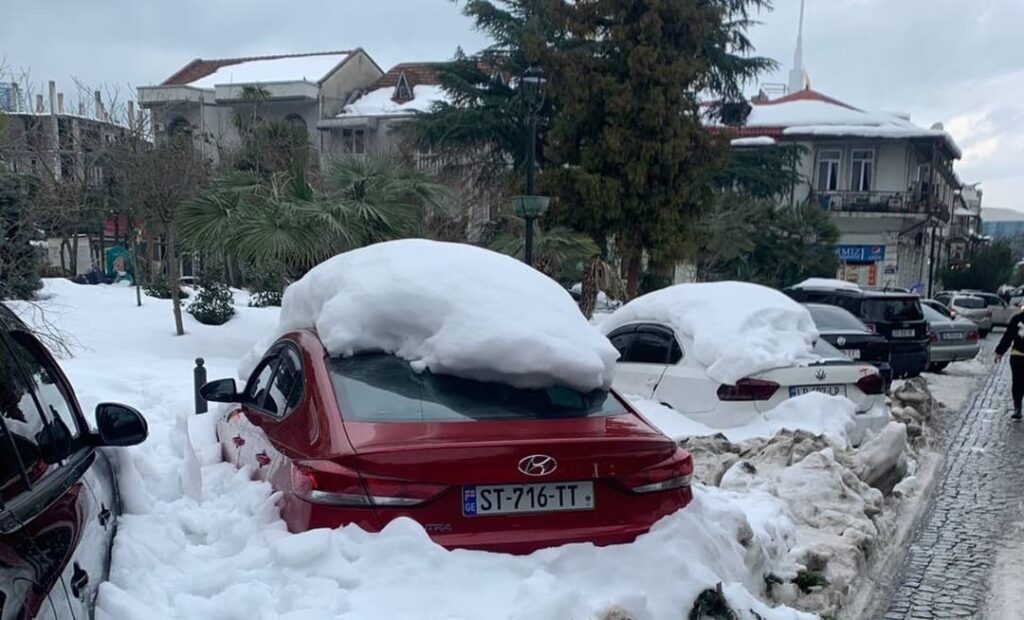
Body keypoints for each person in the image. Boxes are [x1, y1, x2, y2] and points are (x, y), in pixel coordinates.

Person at [995, 307, 1024, 420]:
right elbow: (1008, 336)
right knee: (1017, 383)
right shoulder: (1017, 319)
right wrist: (1000, 351)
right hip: (1018, 356)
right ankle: (1017, 408)